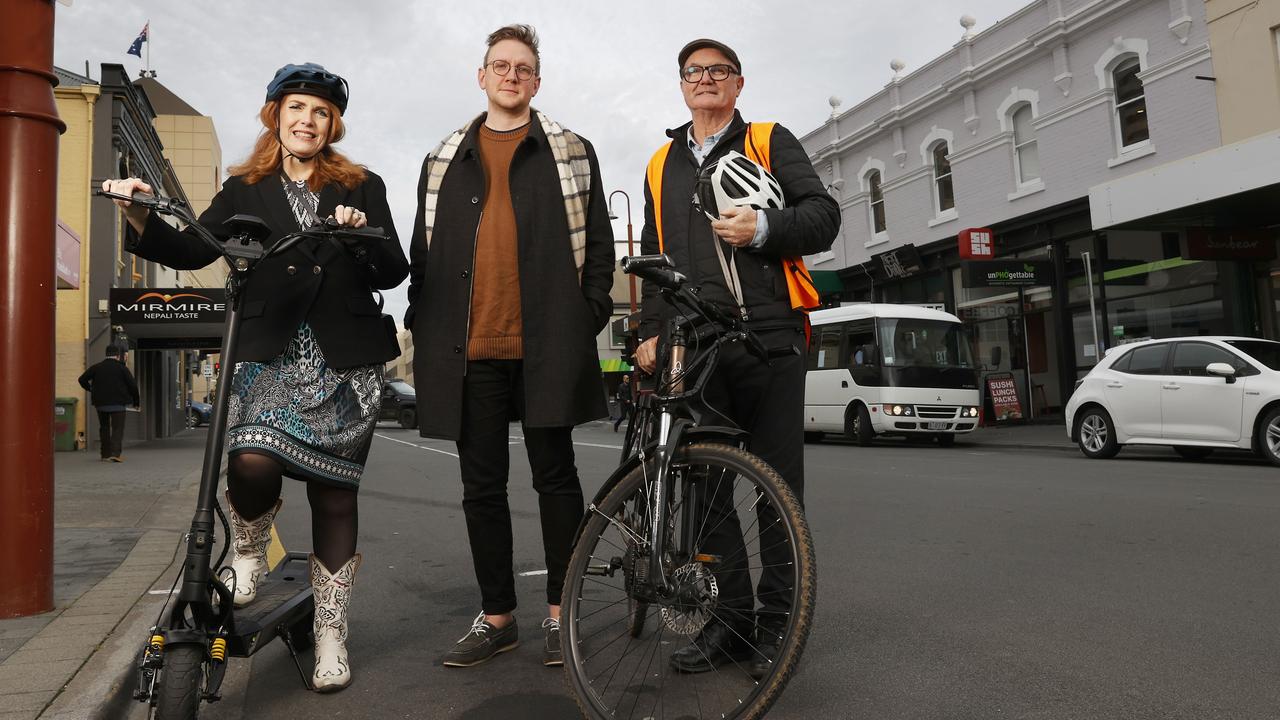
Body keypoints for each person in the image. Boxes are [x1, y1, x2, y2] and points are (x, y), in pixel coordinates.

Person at [102, 62, 407, 693]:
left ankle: (330, 631)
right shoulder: (246, 187)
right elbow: (194, 250)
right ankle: (247, 550)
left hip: (344, 364)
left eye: (321, 112)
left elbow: (392, 269)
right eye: (297, 108)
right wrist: (137, 213)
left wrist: (357, 237)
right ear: (276, 115)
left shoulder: (362, 184)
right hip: (268, 355)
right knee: (250, 460)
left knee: (333, 495)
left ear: (333, 125)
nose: (308, 121)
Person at [405, 24, 613, 669]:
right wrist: (422, 317)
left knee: (557, 478)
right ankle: (498, 617)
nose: (512, 75)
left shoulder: (572, 151)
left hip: (548, 340)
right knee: (481, 486)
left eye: (524, 68)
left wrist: (588, 314)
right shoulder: (444, 159)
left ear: (537, 81)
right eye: (501, 65)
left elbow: (599, 246)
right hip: (470, 348)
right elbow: (425, 252)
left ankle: (560, 610)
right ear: (482, 75)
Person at [634, 38, 840, 679]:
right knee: (708, 497)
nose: (705, 80)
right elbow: (653, 252)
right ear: (681, 85)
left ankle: (779, 628)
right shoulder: (660, 161)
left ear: (738, 83)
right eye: (694, 72)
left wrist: (765, 230)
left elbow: (823, 217)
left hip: (770, 338)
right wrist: (648, 329)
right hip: (697, 348)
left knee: (777, 494)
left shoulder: (769, 141)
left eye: (718, 72)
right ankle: (731, 626)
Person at [77, 345, 139, 462]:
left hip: (101, 404)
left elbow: (81, 379)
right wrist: (136, 401)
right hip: (119, 404)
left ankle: (105, 454)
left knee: (104, 427)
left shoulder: (97, 367)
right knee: (117, 428)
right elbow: (133, 385)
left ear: (106, 354)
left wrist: (90, 389)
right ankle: (115, 454)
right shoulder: (122, 368)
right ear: (118, 356)